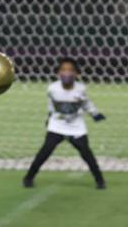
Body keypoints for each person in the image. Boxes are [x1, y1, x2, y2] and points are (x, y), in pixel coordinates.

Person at [23, 57, 106, 189]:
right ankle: (28, 178)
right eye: (63, 69)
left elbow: (86, 103)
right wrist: (49, 117)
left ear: (77, 73)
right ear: (58, 73)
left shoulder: (81, 89)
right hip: (57, 125)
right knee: (45, 151)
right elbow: (51, 104)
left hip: (76, 126)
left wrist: (94, 113)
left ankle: (100, 180)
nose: (66, 73)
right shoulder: (52, 89)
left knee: (86, 153)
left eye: (70, 70)